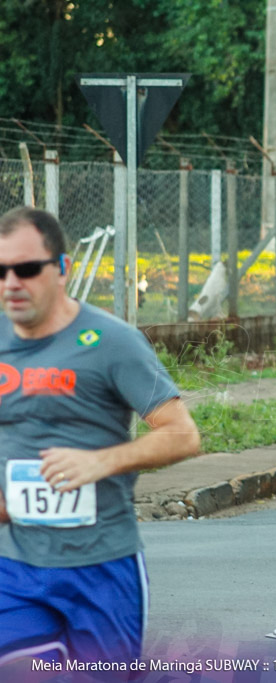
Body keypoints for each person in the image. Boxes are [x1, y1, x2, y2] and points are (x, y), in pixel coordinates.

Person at [0, 207, 200, 665]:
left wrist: (101, 461)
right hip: (14, 565)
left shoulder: (112, 341)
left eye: (27, 269)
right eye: (1, 270)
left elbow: (183, 434)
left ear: (63, 269)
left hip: (101, 568)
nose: (12, 282)